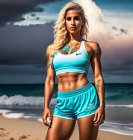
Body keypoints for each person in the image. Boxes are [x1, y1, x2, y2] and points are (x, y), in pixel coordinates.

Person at [42, 2, 105, 140]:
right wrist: (46, 106)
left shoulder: (91, 47)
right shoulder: (52, 50)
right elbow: (50, 80)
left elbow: (98, 77)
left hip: (86, 99)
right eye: (69, 19)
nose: (73, 22)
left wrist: (102, 106)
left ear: (82, 21)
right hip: (63, 102)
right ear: (64, 22)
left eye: (76, 18)